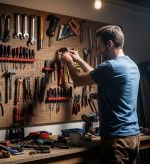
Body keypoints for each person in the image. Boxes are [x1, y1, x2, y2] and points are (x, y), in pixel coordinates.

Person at [60, 25, 140, 164]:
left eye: (100, 46)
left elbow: (78, 80)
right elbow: (97, 75)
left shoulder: (110, 66)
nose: (99, 49)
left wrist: (69, 63)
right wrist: (79, 59)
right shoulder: (131, 65)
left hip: (116, 140)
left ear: (109, 44)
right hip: (133, 137)